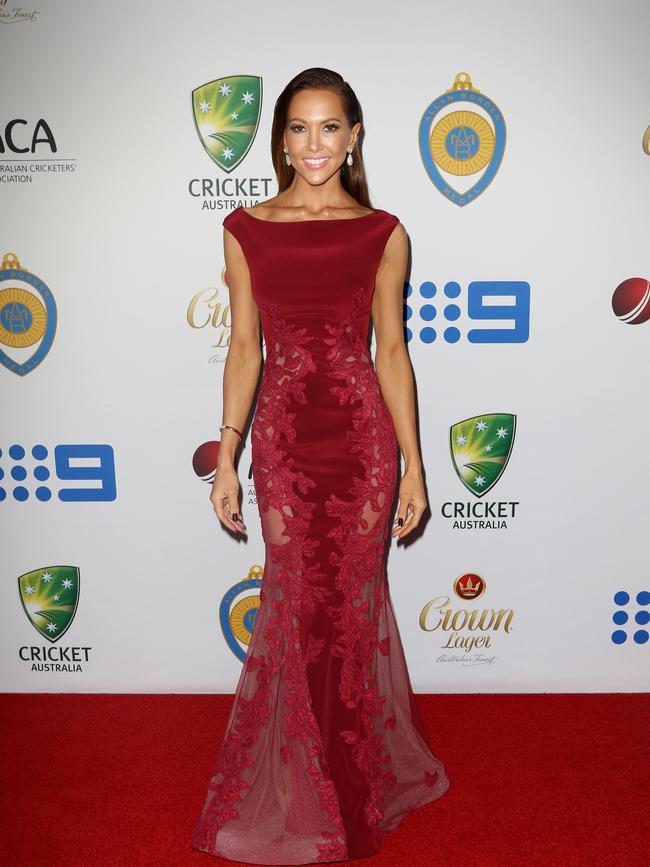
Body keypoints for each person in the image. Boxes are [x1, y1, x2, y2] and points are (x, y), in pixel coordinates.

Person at [190, 66, 450, 865]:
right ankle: (304, 781)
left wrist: (413, 466)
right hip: (285, 444)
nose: (314, 144)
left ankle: (350, 774)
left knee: (350, 603)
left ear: (354, 136)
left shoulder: (383, 231)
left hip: (362, 441)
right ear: (279, 139)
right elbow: (243, 349)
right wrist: (226, 454)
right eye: (298, 128)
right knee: (298, 606)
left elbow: (394, 353)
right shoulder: (244, 227)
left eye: (329, 127)